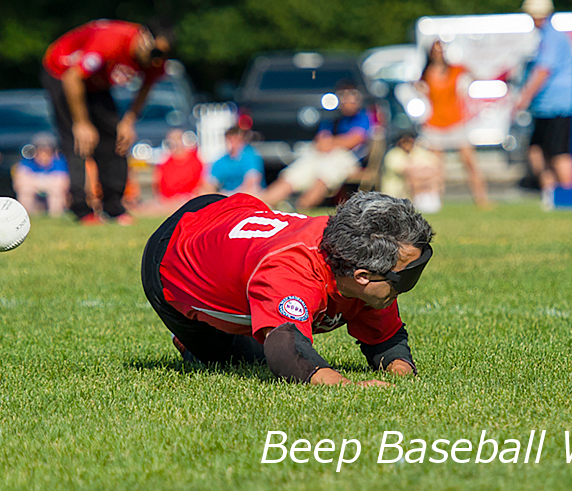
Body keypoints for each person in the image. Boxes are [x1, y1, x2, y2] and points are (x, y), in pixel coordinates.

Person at [141, 191, 433, 386]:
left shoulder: (354, 255)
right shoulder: (291, 274)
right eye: (404, 278)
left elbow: (385, 337)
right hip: (172, 254)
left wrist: (399, 368)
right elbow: (286, 351)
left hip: (228, 212)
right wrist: (346, 385)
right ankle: (194, 338)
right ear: (362, 276)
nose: (406, 286)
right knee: (241, 358)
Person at [41, 19, 173, 226]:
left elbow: (147, 85)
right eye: (155, 54)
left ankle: (114, 207)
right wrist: (82, 123)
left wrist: (128, 121)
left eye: (162, 57)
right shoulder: (111, 42)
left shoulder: (156, 58)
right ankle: (82, 210)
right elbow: (72, 78)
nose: (156, 61)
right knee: (79, 141)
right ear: (144, 38)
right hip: (63, 71)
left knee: (115, 138)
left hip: (96, 81)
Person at [512, 0, 572, 209]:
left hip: (557, 105)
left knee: (559, 152)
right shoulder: (547, 36)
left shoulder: (552, 37)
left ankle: (569, 195)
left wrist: (524, 96)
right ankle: (550, 194)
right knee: (537, 149)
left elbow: (543, 70)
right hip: (545, 107)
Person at [263, 81, 373, 210]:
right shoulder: (332, 117)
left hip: (346, 159)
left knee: (323, 178)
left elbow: (354, 140)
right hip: (320, 155)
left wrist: (331, 142)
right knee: (293, 174)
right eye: (343, 96)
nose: (346, 100)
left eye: (350, 96)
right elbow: (320, 141)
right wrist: (332, 143)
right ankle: (262, 203)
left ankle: (299, 207)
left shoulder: (363, 117)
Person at [415, 40, 490, 207]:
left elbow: (476, 73)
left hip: (456, 122)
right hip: (435, 124)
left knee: (470, 163)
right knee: (437, 168)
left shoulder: (456, 69)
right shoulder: (426, 74)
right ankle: (436, 201)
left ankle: (482, 200)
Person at [380, 133, 444, 213]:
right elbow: (406, 172)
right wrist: (423, 172)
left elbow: (435, 165)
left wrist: (424, 174)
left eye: (409, 140)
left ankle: (432, 201)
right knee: (413, 179)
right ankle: (419, 202)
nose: (407, 143)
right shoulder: (393, 154)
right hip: (398, 192)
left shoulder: (419, 151)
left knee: (435, 177)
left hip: (422, 183)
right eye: (404, 141)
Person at [13, 133, 70, 217]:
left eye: (46, 151)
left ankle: (55, 216)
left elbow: (63, 183)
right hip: (35, 187)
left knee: (57, 191)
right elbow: (19, 181)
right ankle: (26, 216)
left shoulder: (59, 161)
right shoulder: (28, 161)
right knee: (25, 190)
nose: (43, 155)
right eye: (40, 151)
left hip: (50, 187)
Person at [153, 128, 205, 213]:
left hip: (189, 200)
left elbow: (202, 185)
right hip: (167, 202)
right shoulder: (164, 162)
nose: (175, 142)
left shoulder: (195, 160)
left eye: (178, 138)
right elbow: (157, 185)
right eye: (172, 139)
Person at [206, 127, 264, 195]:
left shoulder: (250, 155)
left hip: (245, 193)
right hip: (227, 195)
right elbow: (211, 182)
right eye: (230, 140)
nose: (232, 143)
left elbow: (252, 180)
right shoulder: (222, 160)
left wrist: (234, 194)